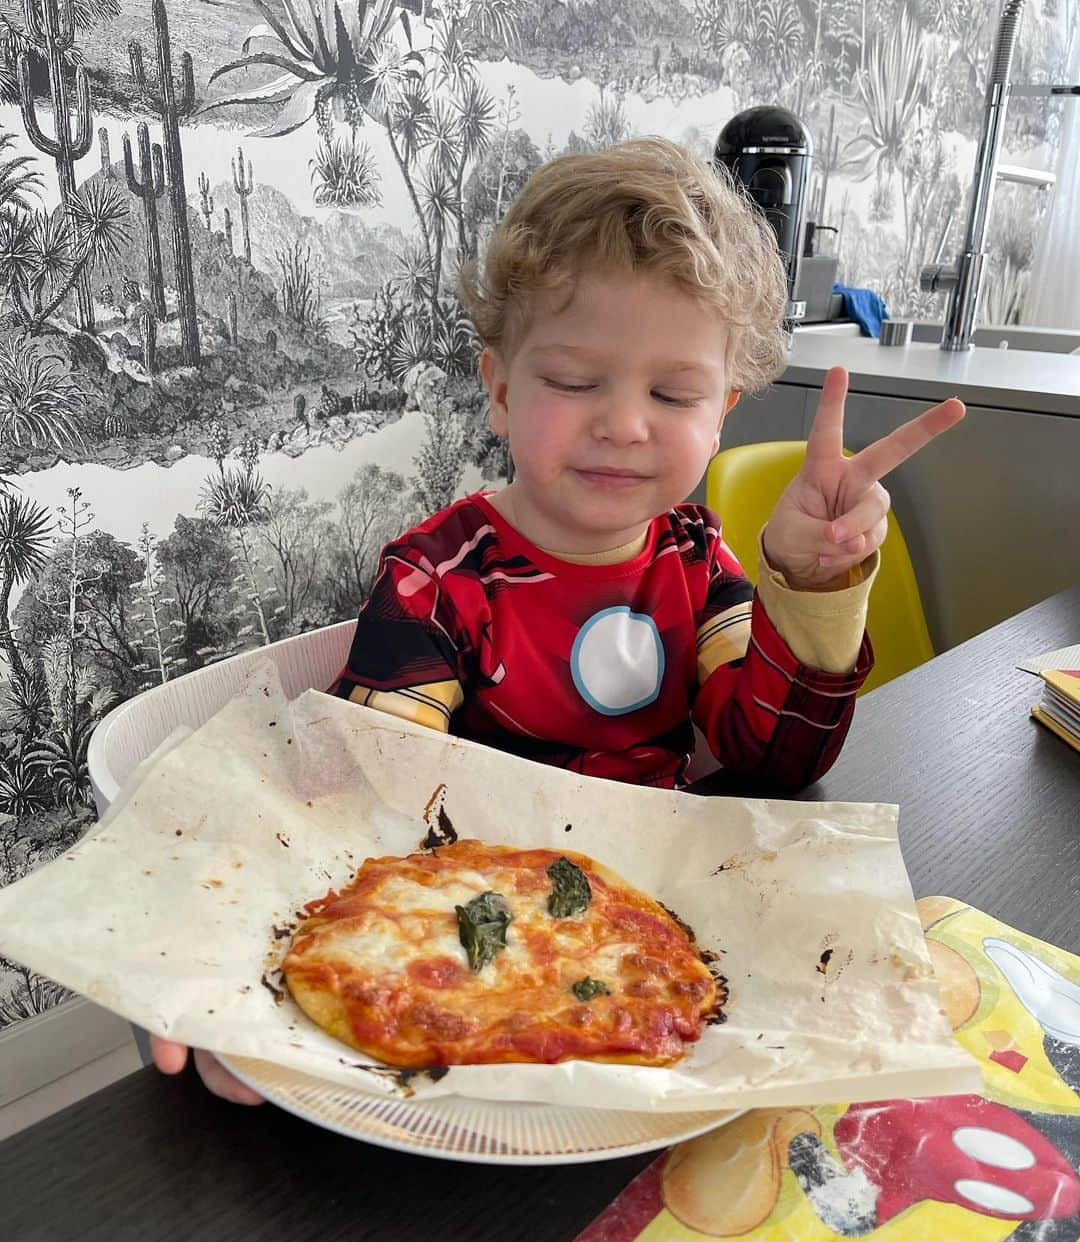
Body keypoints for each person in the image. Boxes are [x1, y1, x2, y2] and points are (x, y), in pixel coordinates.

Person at [152, 137, 964, 1101]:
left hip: (654, 955)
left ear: (723, 413)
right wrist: (220, 976)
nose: (624, 423)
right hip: (455, 961)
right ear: (500, 388)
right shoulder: (439, 580)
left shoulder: (698, 564)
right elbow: (356, 800)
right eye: (576, 382)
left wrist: (810, 583)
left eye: (672, 393)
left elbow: (771, 759)